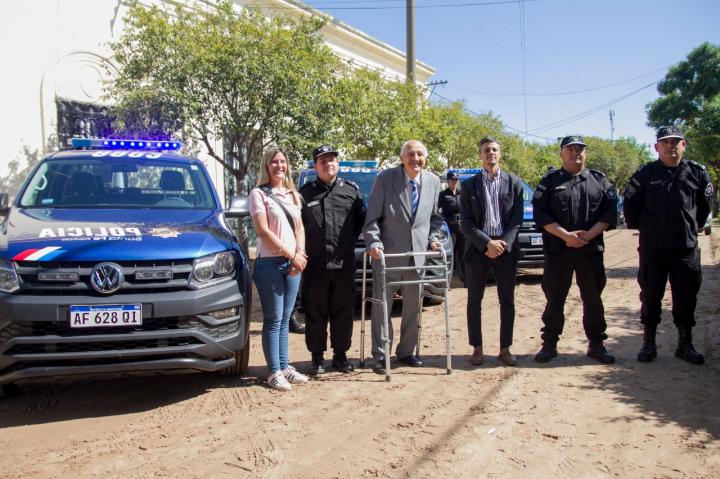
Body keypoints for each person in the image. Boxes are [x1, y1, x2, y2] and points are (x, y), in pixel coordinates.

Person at [623, 126, 713, 365]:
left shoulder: (697, 173)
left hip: (685, 248)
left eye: (675, 142)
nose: (670, 146)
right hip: (653, 248)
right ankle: (648, 343)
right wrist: (645, 228)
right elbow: (630, 205)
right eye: (665, 142)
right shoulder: (645, 174)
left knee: (686, 297)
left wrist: (692, 226)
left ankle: (685, 344)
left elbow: (705, 205)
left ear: (684, 145)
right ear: (656, 147)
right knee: (651, 296)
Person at [532, 135, 618, 364]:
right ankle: (549, 344)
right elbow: (541, 213)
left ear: (585, 154)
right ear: (561, 154)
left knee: (593, 299)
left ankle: (596, 345)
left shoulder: (599, 181)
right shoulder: (549, 181)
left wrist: (588, 236)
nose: (575, 153)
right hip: (559, 251)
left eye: (579, 149)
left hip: (590, 251)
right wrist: (566, 236)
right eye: (570, 149)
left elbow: (610, 212)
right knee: (555, 299)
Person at [363, 140, 444, 374]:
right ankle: (380, 355)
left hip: (418, 255)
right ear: (402, 158)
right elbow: (372, 218)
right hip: (388, 254)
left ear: (425, 158)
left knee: (413, 306)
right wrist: (374, 242)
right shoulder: (386, 179)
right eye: (410, 154)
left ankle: (407, 351)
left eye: (419, 154)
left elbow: (436, 219)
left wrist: (434, 237)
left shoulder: (433, 181)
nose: (415, 159)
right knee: (382, 307)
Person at [299, 144, 366, 374]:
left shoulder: (351, 192)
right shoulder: (304, 195)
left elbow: (360, 223)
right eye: (323, 161)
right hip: (315, 266)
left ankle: (340, 356)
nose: (328, 164)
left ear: (338, 163)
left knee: (343, 313)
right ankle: (317, 358)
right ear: (315, 165)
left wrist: (347, 245)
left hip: (343, 265)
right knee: (315, 313)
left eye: (332, 160)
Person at [249, 146, 310, 391]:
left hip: (293, 263)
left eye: (282, 161)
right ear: (266, 165)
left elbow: (299, 228)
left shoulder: (293, 194)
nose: (279, 166)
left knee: (286, 318)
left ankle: (285, 366)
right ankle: (273, 371)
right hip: (270, 264)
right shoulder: (258, 194)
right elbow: (262, 230)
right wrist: (290, 255)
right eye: (274, 162)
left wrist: (301, 254)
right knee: (273, 319)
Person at [460, 137, 524, 366]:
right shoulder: (468, 186)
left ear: (500, 153)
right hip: (479, 248)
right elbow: (465, 222)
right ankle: (476, 348)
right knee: (474, 300)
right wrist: (487, 243)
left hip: (505, 249)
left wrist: (502, 244)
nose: (491, 153)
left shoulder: (514, 183)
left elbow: (516, 221)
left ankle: (505, 348)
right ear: (480, 155)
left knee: (507, 300)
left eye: (495, 149)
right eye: (486, 150)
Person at [438, 171, 465, 283]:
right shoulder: (443, 194)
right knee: (450, 254)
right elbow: (436, 210)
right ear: (448, 181)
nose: (454, 182)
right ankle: (447, 281)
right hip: (449, 228)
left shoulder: (462, 193)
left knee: (463, 253)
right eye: (452, 180)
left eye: (456, 180)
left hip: (462, 228)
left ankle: (465, 279)